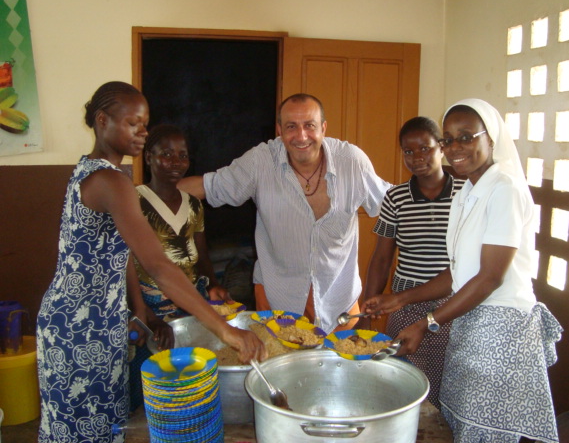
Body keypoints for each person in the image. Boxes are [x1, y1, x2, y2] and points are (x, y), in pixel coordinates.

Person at [36, 82, 266, 443]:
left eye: (145, 125)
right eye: (133, 124)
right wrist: (226, 331)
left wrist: (137, 311)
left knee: (99, 428)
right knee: (87, 431)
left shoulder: (91, 170)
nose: (142, 133)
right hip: (82, 329)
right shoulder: (110, 180)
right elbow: (158, 266)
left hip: (86, 320)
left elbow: (121, 250)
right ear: (102, 121)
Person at [362, 98, 562, 443]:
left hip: (501, 330)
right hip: (469, 323)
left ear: (491, 138)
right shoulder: (469, 192)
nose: (455, 147)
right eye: (450, 139)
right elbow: (457, 273)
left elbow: (490, 277)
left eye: (466, 137)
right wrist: (399, 299)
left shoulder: (505, 189)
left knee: (485, 430)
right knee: (459, 425)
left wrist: (426, 322)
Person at [178, 93, 392, 333]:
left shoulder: (351, 162)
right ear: (279, 130)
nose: (301, 136)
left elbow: (395, 204)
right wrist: (148, 195)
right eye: (291, 126)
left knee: (344, 359)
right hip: (277, 300)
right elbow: (211, 186)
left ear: (323, 128)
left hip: (339, 303)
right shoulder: (261, 161)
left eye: (309, 125)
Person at [359, 116, 464, 409]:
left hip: (452, 307)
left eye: (425, 148)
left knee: (446, 390)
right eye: (409, 151)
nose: (417, 157)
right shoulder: (395, 198)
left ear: (441, 147)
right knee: (401, 388)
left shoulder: (465, 194)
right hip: (404, 308)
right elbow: (381, 258)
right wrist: (367, 309)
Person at [127, 123, 233, 411]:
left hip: (189, 300)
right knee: (152, 382)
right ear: (148, 157)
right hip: (148, 303)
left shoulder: (193, 205)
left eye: (182, 156)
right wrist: (148, 317)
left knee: (190, 377)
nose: (176, 162)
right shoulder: (134, 201)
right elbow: (125, 265)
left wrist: (213, 284)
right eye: (166, 154)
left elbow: (202, 254)